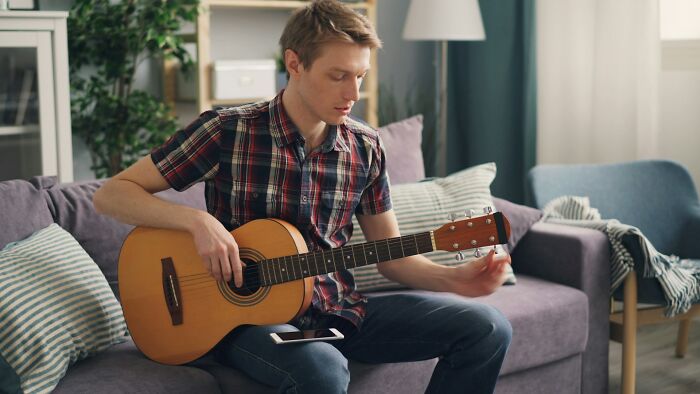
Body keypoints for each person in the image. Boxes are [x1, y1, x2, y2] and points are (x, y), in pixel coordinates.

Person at [93, 1, 513, 393]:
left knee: (489, 328)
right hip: (245, 319)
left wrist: (454, 279)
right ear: (294, 63)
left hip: (338, 310)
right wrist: (198, 222)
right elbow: (112, 194)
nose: (353, 92)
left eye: (360, 76)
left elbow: (392, 256)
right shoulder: (228, 131)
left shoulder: (366, 147)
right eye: (338, 75)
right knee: (322, 367)